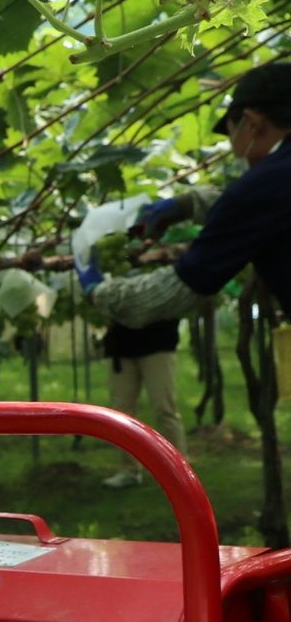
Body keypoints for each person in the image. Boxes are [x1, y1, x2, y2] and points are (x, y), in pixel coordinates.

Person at [84, 61, 291, 342]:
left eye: (232, 135)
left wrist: (97, 290)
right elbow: (268, 207)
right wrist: (186, 205)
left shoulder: (260, 187)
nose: (235, 152)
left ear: (252, 124)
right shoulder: (269, 186)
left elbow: (167, 294)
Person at [97, 316, 189, 488]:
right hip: (120, 347)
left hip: (158, 344)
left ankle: (181, 474)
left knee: (165, 409)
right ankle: (129, 470)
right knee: (120, 415)